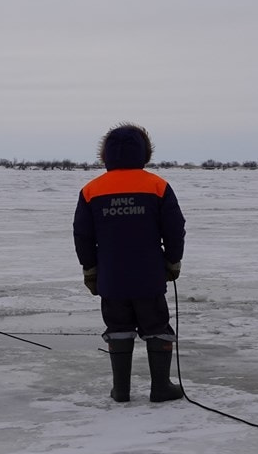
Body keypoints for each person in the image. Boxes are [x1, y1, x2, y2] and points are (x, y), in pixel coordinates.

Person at [73, 123, 186, 403]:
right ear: (144, 153)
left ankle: (121, 390)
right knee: (157, 327)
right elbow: (174, 228)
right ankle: (160, 387)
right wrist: (173, 261)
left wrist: (90, 270)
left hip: (112, 278)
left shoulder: (91, 190)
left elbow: (82, 235)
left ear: (105, 155)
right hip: (149, 275)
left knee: (118, 327)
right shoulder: (157, 186)